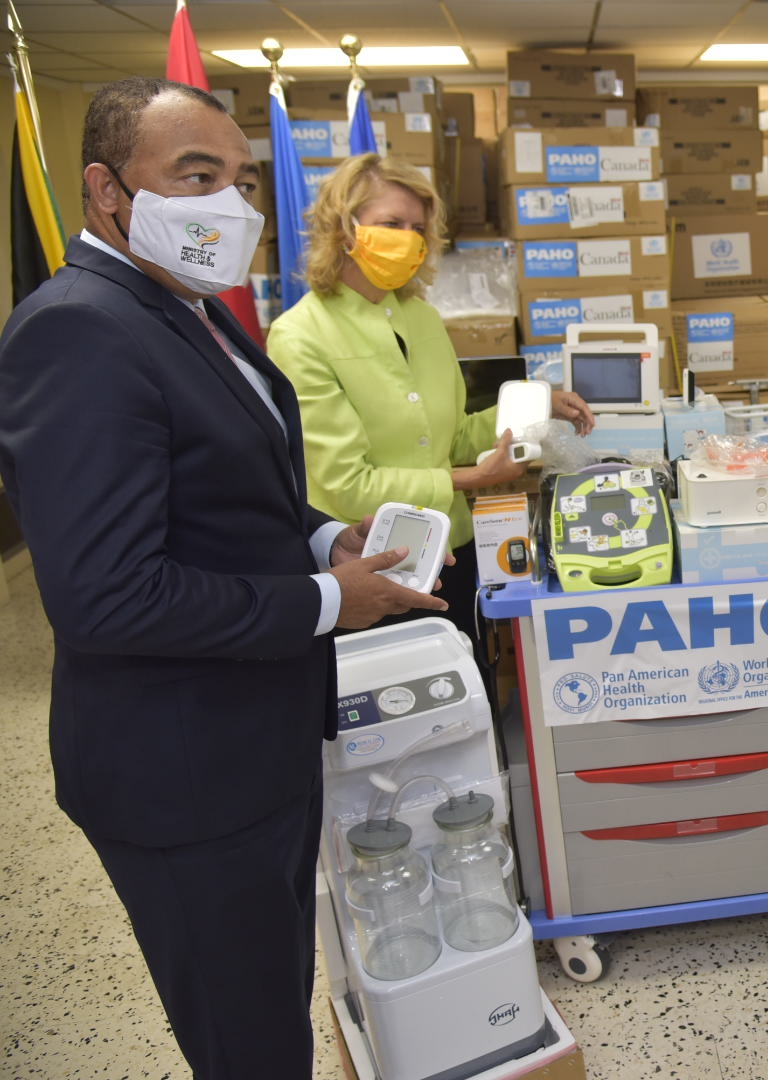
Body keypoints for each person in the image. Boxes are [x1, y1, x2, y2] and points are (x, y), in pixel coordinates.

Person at [0, 78, 447, 1078]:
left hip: (255, 739)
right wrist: (335, 601)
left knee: (273, 1001)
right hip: (181, 773)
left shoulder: (187, 310)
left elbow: (227, 494)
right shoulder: (78, 332)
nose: (229, 205)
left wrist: (324, 536)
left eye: (241, 181)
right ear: (107, 191)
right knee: (247, 1042)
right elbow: (107, 593)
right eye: (195, 176)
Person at [267, 153, 594, 650]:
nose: (407, 238)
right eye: (390, 223)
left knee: (473, 693)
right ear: (343, 228)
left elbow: (452, 435)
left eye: (418, 227)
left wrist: (536, 404)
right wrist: (474, 480)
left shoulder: (420, 317)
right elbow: (346, 484)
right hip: (373, 568)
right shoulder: (300, 336)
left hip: (455, 553)